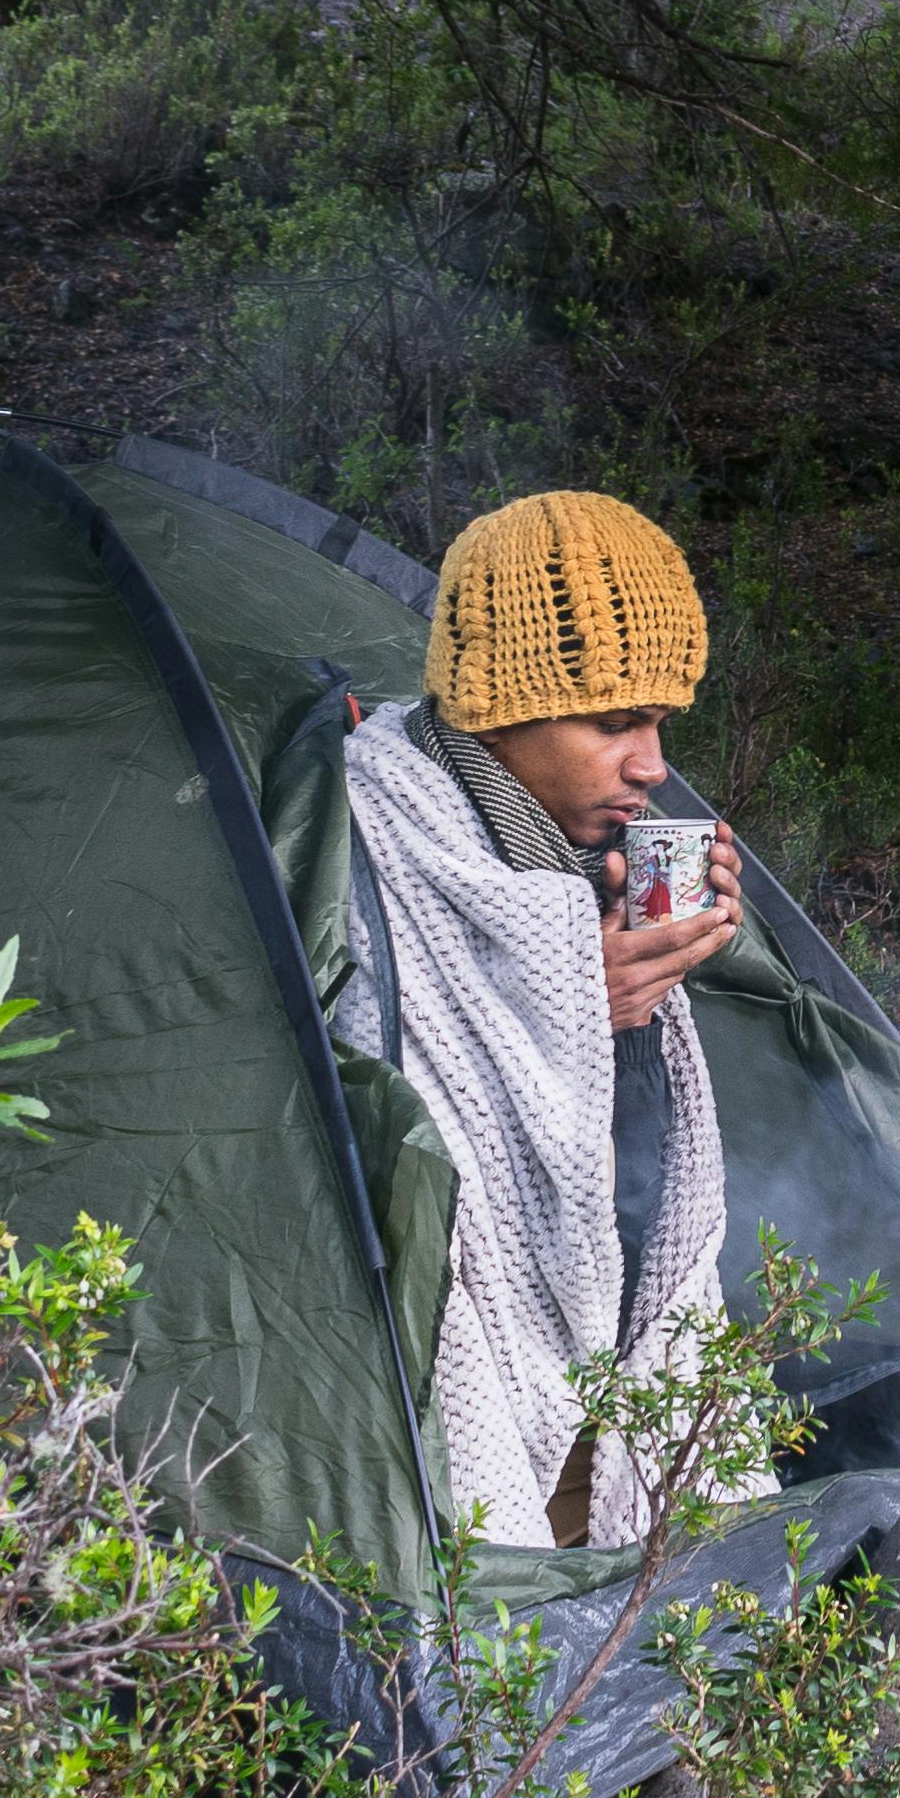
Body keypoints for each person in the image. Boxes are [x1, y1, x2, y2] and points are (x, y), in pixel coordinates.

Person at [338, 487, 756, 1546]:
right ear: (498, 705)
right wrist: (582, 1001)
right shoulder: (370, 841)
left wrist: (669, 963)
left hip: (610, 1364)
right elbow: (380, 1122)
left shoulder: (581, 847)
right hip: (433, 1406)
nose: (653, 764)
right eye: (617, 722)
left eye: (661, 722)